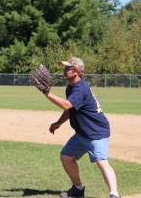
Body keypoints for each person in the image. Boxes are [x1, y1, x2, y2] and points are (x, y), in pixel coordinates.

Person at [44, 57, 121, 198]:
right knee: (66, 156)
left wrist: (47, 93)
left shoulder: (80, 88)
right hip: (82, 132)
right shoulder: (72, 87)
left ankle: (114, 194)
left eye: (68, 68)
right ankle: (78, 189)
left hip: (96, 131)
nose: (64, 70)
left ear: (76, 71)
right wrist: (58, 123)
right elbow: (70, 109)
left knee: (101, 161)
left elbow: (66, 105)